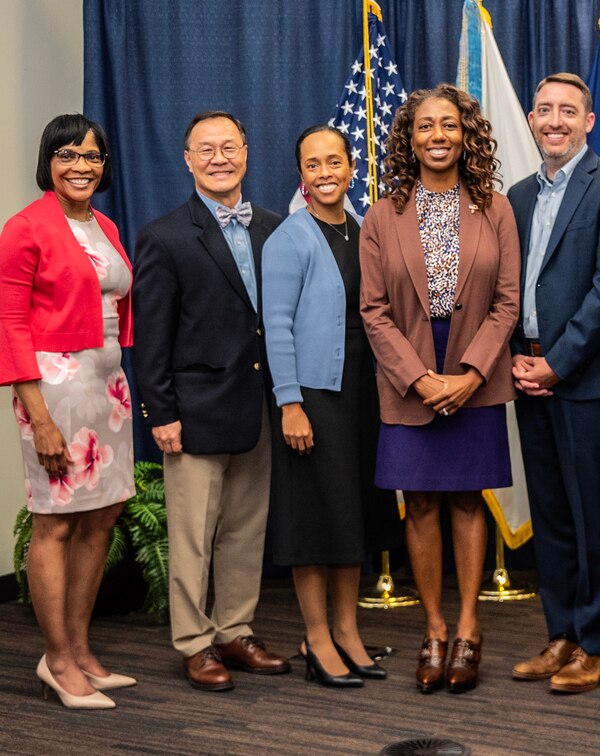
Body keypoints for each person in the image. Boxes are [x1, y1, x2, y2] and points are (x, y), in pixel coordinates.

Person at [360, 83, 520, 694]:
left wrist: (473, 373)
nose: (437, 136)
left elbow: (506, 304)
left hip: (475, 369)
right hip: (409, 374)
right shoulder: (382, 213)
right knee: (421, 502)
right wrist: (420, 378)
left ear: (466, 134)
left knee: (466, 499)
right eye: (425, 126)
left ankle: (470, 627)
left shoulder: (495, 207)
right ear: (409, 137)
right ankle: (432, 628)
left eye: (449, 126)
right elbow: (373, 310)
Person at [133, 110, 288, 691]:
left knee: (246, 530)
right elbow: (151, 337)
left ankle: (234, 629)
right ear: (188, 160)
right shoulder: (164, 235)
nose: (219, 158)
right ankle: (195, 643)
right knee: (193, 535)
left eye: (229, 147)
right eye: (207, 149)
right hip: (193, 410)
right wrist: (162, 413)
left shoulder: (274, 227)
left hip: (258, 406)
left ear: (246, 152)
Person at [508, 72, 600, 693]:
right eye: (545, 110)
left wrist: (555, 363)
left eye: (568, 110)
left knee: (593, 518)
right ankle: (560, 634)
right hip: (525, 374)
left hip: (584, 380)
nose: (554, 120)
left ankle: (595, 643)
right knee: (552, 517)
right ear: (533, 120)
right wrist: (517, 358)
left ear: (589, 121)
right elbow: (506, 288)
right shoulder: (513, 196)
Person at [0, 114, 135, 709]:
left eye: (92, 155)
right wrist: (41, 416)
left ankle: (79, 649)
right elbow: (9, 322)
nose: (81, 165)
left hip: (106, 385)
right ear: (47, 162)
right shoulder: (25, 228)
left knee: (102, 514)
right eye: (67, 154)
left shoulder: (101, 223)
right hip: (53, 388)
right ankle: (55, 660)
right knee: (55, 522)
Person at [262, 124, 402, 688]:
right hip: (313, 394)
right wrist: (290, 403)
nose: (325, 173)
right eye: (313, 164)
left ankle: (347, 631)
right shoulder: (289, 238)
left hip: (362, 393)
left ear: (351, 168)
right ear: (303, 173)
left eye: (334, 162)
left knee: (351, 517)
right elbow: (275, 327)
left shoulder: (365, 229)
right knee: (314, 520)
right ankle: (316, 637)